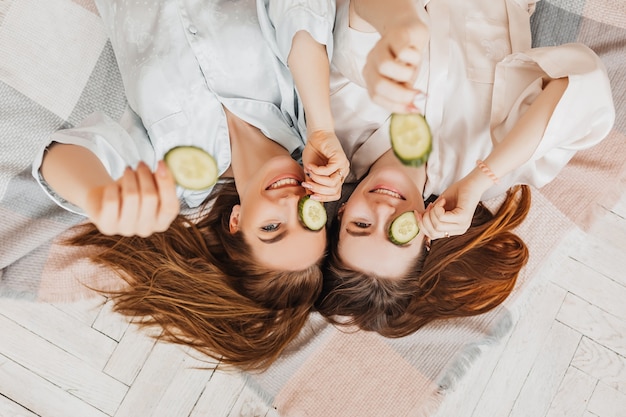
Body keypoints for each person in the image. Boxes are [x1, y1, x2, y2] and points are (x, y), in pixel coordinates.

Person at [32, 0, 347, 370]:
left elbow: (60, 156)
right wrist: (321, 124)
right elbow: (298, 13)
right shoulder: (303, 106)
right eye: (307, 218)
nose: (290, 202)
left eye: (271, 227)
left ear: (236, 221)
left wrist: (98, 196)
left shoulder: (174, 175)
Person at [315, 0, 615, 336]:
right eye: (396, 233)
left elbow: (359, 13)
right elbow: (584, 83)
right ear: (425, 239)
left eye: (361, 224)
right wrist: (481, 176)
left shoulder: (334, 128)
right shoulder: (489, 167)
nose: (382, 209)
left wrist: (403, 24)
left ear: (341, 212)